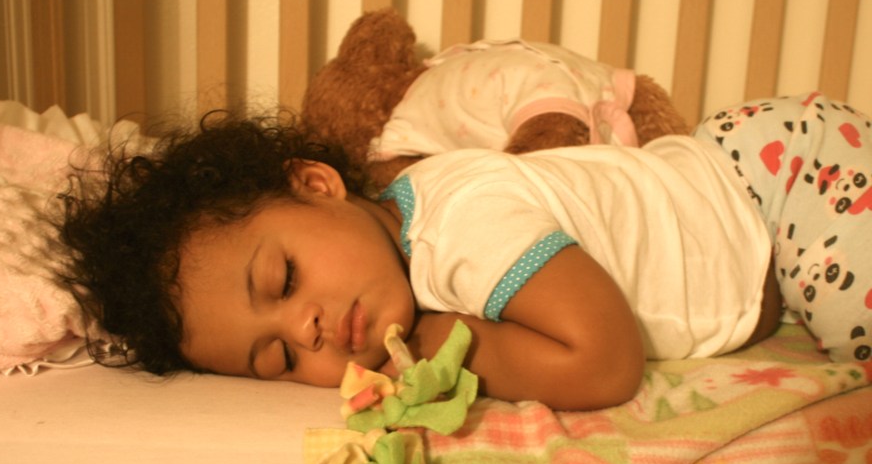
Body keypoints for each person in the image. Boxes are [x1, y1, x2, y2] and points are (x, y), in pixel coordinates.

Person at [58, 92, 871, 411]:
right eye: (276, 359)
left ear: (315, 184)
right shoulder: (405, 232)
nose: (305, 329)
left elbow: (605, 364)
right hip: (744, 168)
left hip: (784, 185)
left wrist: (440, 343)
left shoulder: (460, 230)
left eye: (284, 278)